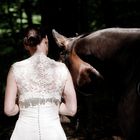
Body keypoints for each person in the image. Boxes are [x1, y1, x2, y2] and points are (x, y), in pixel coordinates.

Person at [4, 26, 77, 140]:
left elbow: (9, 110)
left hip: (24, 133)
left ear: (26, 44)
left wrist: (22, 104)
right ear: (46, 39)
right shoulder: (61, 68)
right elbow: (71, 110)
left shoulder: (16, 68)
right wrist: (51, 104)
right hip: (53, 133)